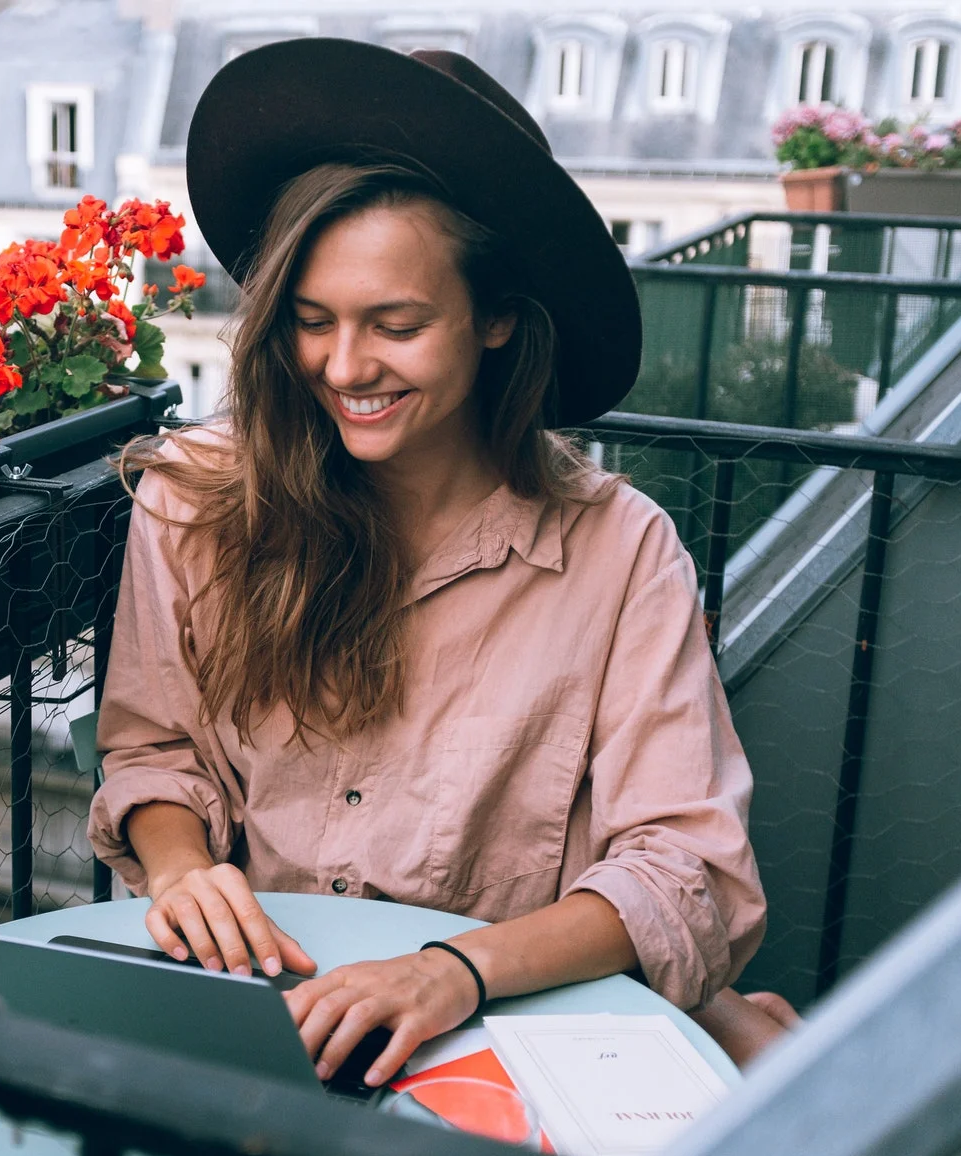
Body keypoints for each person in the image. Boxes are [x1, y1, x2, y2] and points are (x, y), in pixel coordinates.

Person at [87, 40, 797, 1083]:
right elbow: (154, 748)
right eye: (310, 321)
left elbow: (686, 870)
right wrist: (182, 863)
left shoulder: (618, 549)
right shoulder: (196, 498)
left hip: (502, 1039)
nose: (344, 367)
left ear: (498, 317)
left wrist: (450, 971)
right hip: (256, 1021)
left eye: (398, 325)